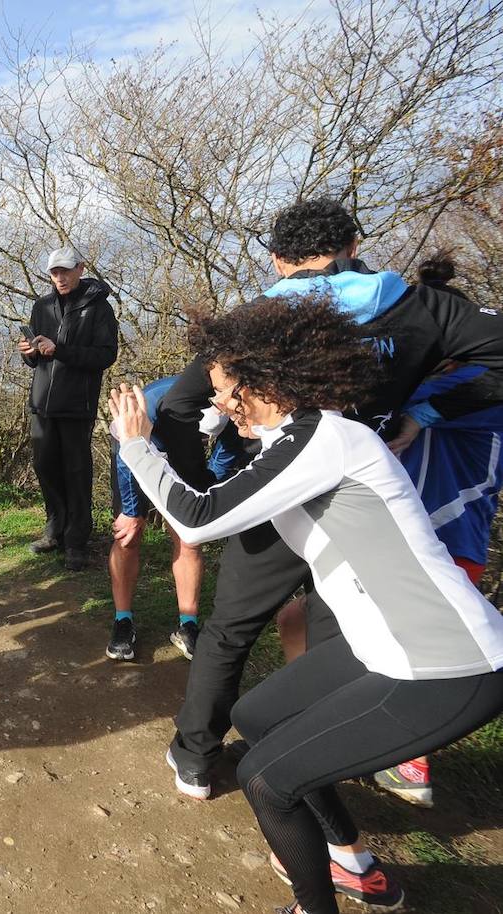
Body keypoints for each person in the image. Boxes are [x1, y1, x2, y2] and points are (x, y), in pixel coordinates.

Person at [111, 293, 503, 914]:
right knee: (260, 715)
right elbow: (219, 494)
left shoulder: (324, 438)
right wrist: (208, 430)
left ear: (261, 381)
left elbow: (199, 516)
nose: (218, 403)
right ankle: (350, 861)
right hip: (383, 645)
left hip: (446, 665)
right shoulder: (296, 439)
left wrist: (136, 444)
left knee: (265, 780)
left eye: (224, 389)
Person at [152, 198, 503, 816]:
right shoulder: (417, 305)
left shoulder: (256, 320)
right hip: (366, 499)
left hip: (277, 495)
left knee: (231, 630)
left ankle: (196, 757)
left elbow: (179, 406)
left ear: (277, 258)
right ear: (353, 243)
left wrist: (200, 476)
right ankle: (333, 755)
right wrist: (422, 412)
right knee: (338, 635)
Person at [105, 376, 248, 662]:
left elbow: (227, 451)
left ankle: (188, 625)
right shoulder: (161, 399)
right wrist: (132, 511)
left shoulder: (244, 402)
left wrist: (206, 492)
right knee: (129, 532)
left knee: (188, 536)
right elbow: (127, 444)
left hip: (185, 454)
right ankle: (123, 621)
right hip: (134, 443)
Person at [17, 247, 119, 571]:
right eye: (54, 272)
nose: (59, 277)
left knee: (76, 472)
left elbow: (105, 356)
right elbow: (35, 359)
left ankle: (77, 541)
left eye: (65, 270)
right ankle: (55, 531)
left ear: (80, 269)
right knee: (45, 467)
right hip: (42, 404)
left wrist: (59, 350)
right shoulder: (42, 306)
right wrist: (28, 353)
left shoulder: (99, 308)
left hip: (78, 405)